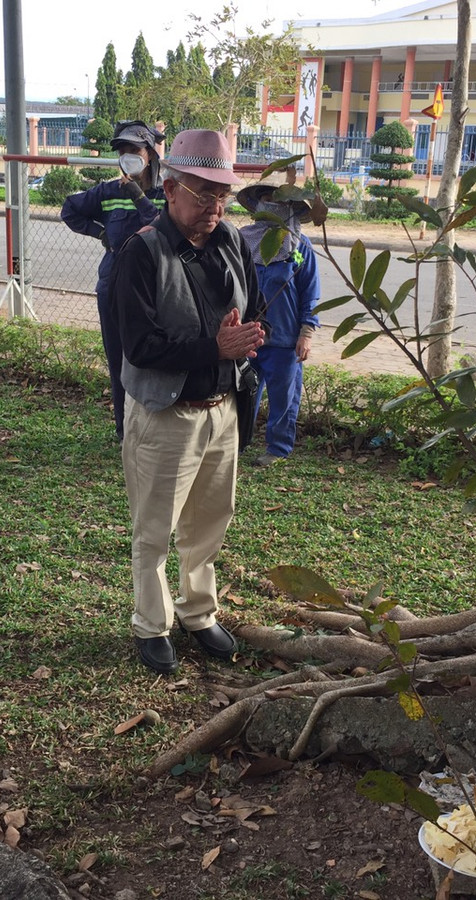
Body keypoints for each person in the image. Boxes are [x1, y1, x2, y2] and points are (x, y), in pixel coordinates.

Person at [111, 129, 266, 675]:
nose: (215, 207)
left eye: (222, 195)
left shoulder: (229, 241)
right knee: (155, 527)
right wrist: (214, 346)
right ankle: (152, 624)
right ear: (171, 189)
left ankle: (198, 611)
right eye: (204, 194)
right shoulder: (142, 251)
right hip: (165, 414)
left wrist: (249, 334)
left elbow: (257, 306)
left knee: (210, 520)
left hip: (221, 407)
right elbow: (140, 346)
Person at [61, 120, 166, 441]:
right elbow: (70, 210)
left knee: (155, 359)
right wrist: (101, 232)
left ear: (149, 154)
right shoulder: (107, 192)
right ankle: (125, 432)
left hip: (157, 291)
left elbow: (163, 230)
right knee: (119, 360)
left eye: (133, 150)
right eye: (122, 152)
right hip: (114, 289)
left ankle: (156, 427)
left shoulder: (168, 193)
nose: (127, 157)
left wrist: (138, 197)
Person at [236, 167, 320, 467]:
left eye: (279, 200)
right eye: (268, 198)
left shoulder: (299, 248)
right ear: (259, 204)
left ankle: (278, 448)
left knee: (284, 398)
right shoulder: (242, 242)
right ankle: (237, 442)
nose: (273, 204)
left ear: (290, 208)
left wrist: (306, 333)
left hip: (284, 339)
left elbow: (310, 290)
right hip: (247, 336)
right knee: (243, 393)